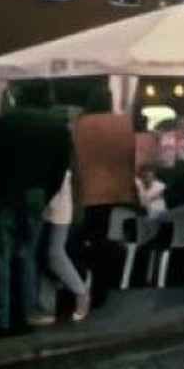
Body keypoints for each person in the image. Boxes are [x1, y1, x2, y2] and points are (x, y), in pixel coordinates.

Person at [0, 87, 73, 335]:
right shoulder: (57, 127)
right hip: (36, 193)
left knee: (1, 255)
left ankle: (2, 317)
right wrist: (45, 192)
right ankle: (24, 314)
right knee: (26, 254)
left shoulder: (2, 123)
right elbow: (61, 167)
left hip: (3, 192)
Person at [71, 86, 136, 307]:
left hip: (87, 190)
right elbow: (131, 156)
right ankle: (101, 289)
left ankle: (80, 283)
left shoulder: (81, 124)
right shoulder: (123, 123)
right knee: (102, 238)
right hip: (116, 190)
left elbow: (75, 157)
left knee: (80, 239)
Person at [32, 170, 90, 325]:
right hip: (54, 209)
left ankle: (81, 293)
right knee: (46, 257)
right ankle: (46, 308)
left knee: (53, 255)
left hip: (55, 209)